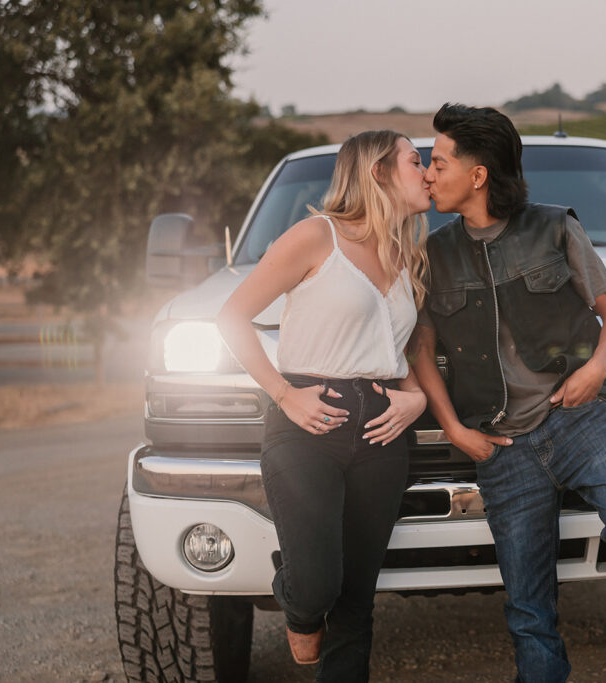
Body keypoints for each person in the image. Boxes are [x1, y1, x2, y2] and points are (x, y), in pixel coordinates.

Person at [409, 104, 606, 682]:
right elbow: (420, 349)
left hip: (576, 420)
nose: (428, 174)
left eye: (438, 162)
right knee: (529, 610)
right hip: (501, 447)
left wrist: (596, 370)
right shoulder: (434, 254)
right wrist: (456, 429)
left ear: (477, 175)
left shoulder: (555, 227)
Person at [217, 130, 431, 681]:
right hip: (309, 419)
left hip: (385, 431)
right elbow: (231, 317)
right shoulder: (317, 237)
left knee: (357, 597)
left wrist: (417, 399)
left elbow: (394, 351)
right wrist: (285, 394)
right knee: (318, 585)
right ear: (378, 172)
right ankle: (299, 602)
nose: (427, 171)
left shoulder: (407, 252)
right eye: (415, 161)